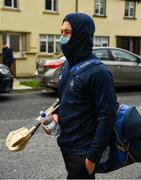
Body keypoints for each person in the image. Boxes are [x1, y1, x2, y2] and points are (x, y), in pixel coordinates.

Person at [41, 13, 118, 179]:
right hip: (66, 144)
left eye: (67, 32)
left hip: (83, 152)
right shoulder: (68, 65)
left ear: (81, 35)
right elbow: (65, 101)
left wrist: (92, 157)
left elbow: (108, 115)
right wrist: (55, 117)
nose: (61, 37)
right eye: (61, 32)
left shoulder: (98, 72)